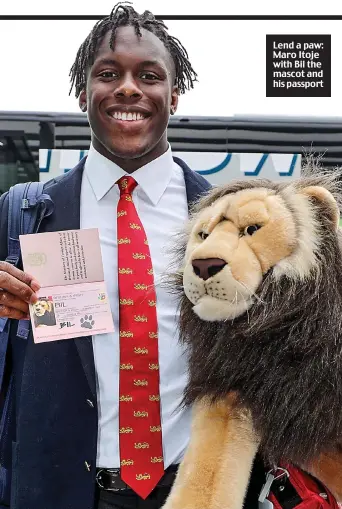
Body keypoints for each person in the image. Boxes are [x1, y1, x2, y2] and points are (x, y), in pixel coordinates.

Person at [0, 3, 264, 508]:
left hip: (192, 489)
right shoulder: (31, 215)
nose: (128, 88)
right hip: (60, 490)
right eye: (107, 74)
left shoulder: (223, 225)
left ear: (174, 95)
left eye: (149, 75)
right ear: (83, 92)